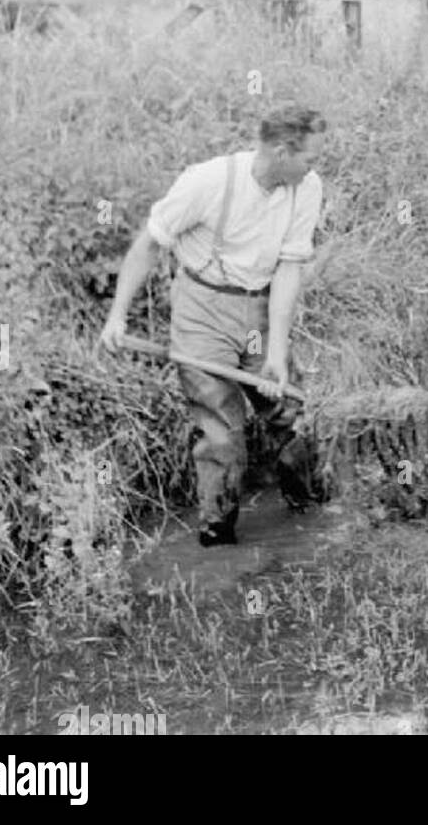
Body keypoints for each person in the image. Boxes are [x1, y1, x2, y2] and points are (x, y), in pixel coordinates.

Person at [100, 104, 328, 547]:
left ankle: (311, 516)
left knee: (290, 414)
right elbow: (149, 245)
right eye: (310, 158)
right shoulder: (206, 182)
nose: (314, 167)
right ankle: (219, 541)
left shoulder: (306, 187)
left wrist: (276, 353)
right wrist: (117, 315)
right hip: (202, 311)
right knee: (222, 434)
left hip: (258, 309)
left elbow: (288, 269)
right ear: (282, 151)